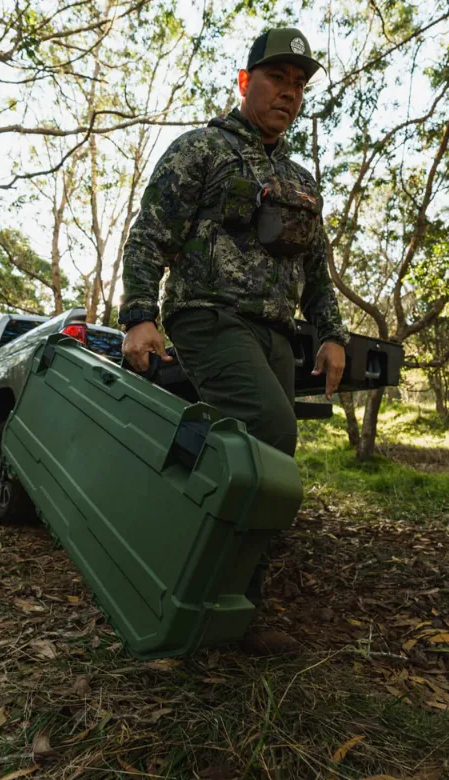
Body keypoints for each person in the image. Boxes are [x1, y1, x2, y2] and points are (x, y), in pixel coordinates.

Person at [118, 28, 348, 655]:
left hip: (275, 333)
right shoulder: (201, 149)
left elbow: (317, 271)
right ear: (246, 81)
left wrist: (330, 335)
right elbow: (149, 235)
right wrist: (139, 316)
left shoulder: (300, 179)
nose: (289, 93)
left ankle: (221, 590)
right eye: (277, 78)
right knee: (271, 431)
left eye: (299, 84)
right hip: (208, 317)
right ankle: (218, 600)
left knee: (243, 450)